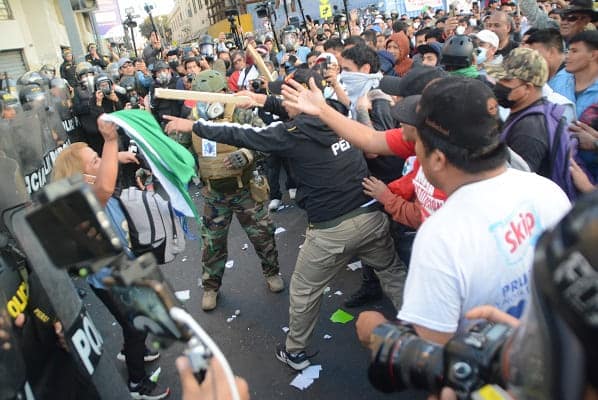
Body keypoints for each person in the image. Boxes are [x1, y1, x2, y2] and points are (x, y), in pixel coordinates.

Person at [285, 75, 570, 345]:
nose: (410, 145)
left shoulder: (441, 237)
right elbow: (371, 140)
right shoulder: (547, 192)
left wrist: (376, 333)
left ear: (438, 159)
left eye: (416, 143)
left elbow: (430, 348)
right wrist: (322, 110)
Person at [163, 68, 406, 371]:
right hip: (370, 217)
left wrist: (194, 126)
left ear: (299, 100)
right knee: (393, 273)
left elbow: (241, 134)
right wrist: (260, 100)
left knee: (304, 290)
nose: (283, 103)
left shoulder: (290, 135)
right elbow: (293, 112)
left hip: (330, 231)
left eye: (286, 98)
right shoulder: (339, 114)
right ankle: (420, 330)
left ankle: (295, 352)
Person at [52, 118, 169, 400]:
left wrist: (117, 155)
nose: (101, 162)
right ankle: (137, 384)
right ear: (79, 175)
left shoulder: (86, 182)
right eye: (95, 161)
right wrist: (110, 140)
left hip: (123, 265)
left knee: (136, 319)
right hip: (109, 278)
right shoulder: (79, 199)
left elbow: (98, 173)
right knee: (136, 324)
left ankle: (132, 350)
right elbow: (103, 188)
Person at [187, 70, 283, 311]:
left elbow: (267, 140)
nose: (206, 101)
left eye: (211, 95)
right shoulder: (193, 119)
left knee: (263, 235)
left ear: (223, 92)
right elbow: (178, 150)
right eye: (201, 97)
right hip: (214, 195)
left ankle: (272, 272)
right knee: (212, 245)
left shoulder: (241, 113)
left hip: (245, 190)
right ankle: (210, 287)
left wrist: (248, 154)